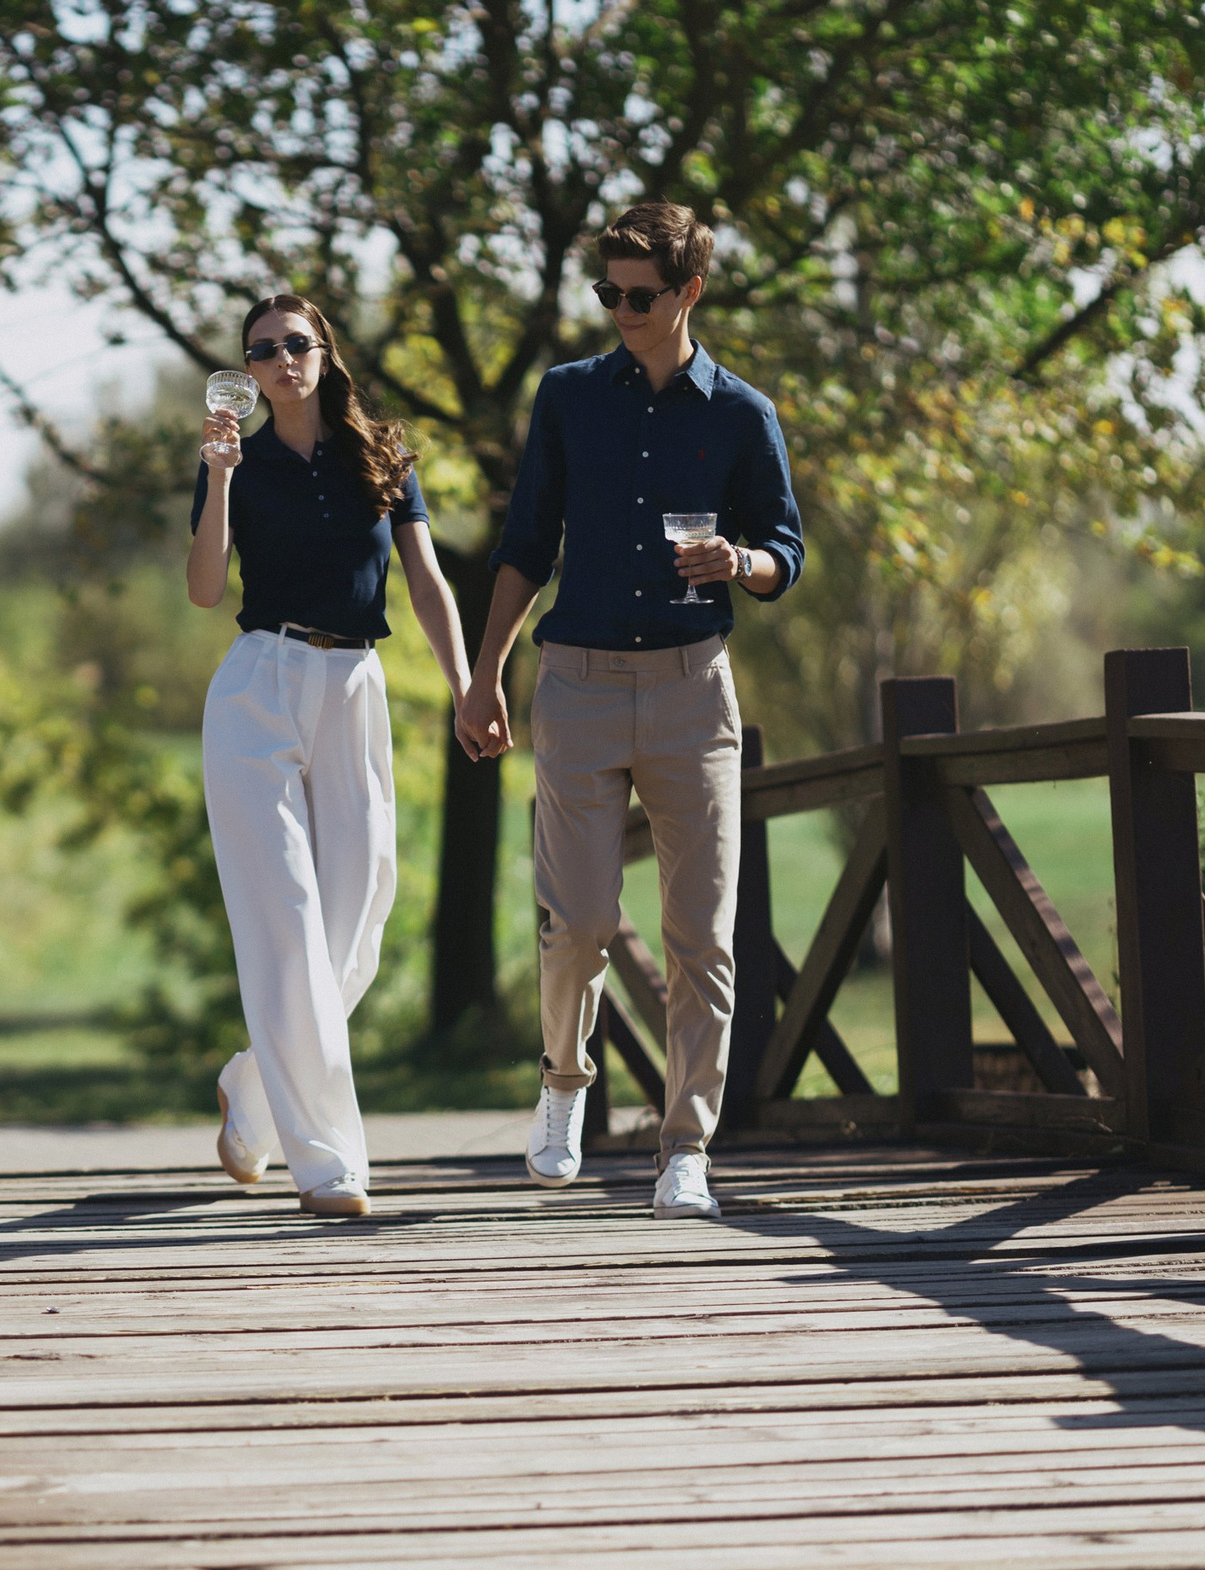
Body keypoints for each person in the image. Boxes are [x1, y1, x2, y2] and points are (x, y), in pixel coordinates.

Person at [455, 202, 804, 1220]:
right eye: (605, 291)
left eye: (639, 295)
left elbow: (786, 550)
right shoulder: (566, 398)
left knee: (702, 936)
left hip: (694, 687)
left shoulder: (742, 414)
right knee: (577, 925)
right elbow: (525, 540)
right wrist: (483, 678)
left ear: (689, 291)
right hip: (577, 682)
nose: (619, 310)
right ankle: (564, 1080)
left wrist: (738, 561)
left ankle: (684, 1149)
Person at [189, 294, 476, 1217]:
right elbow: (202, 589)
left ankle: (252, 1088)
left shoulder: (381, 452)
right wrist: (220, 477)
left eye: (295, 344)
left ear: (324, 353)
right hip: (257, 686)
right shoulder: (235, 457)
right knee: (288, 922)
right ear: (247, 369)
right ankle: (330, 1163)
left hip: (355, 682)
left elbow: (427, 581)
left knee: (354, 929)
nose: (280, 360)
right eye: (261, 350)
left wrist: (472, 682)